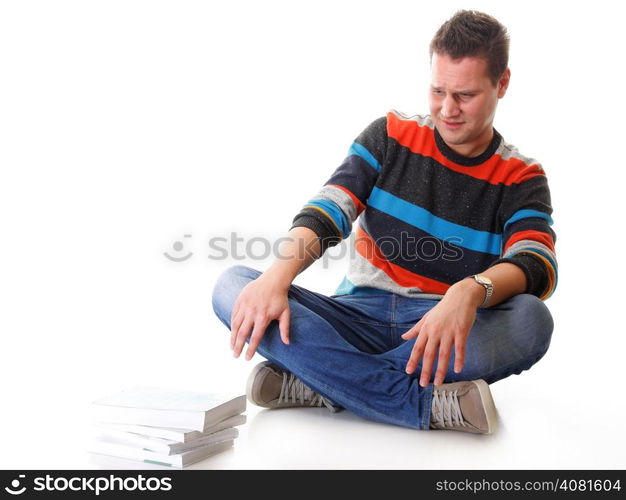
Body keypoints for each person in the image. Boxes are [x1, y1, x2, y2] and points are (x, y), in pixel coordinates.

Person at [212, 10, 556, 434]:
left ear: (502, 84)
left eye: (464, 95)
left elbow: (536, 263)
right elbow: (328, 210)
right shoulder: (390, 134)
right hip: (356, 314)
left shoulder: (521, 176)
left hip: (443, 327)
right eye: (438, 90)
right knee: (233, 285)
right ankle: (418, 403)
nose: (447, 109)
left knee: (531, 319)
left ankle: (320, 380)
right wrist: (276, 277)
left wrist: (470, 292)